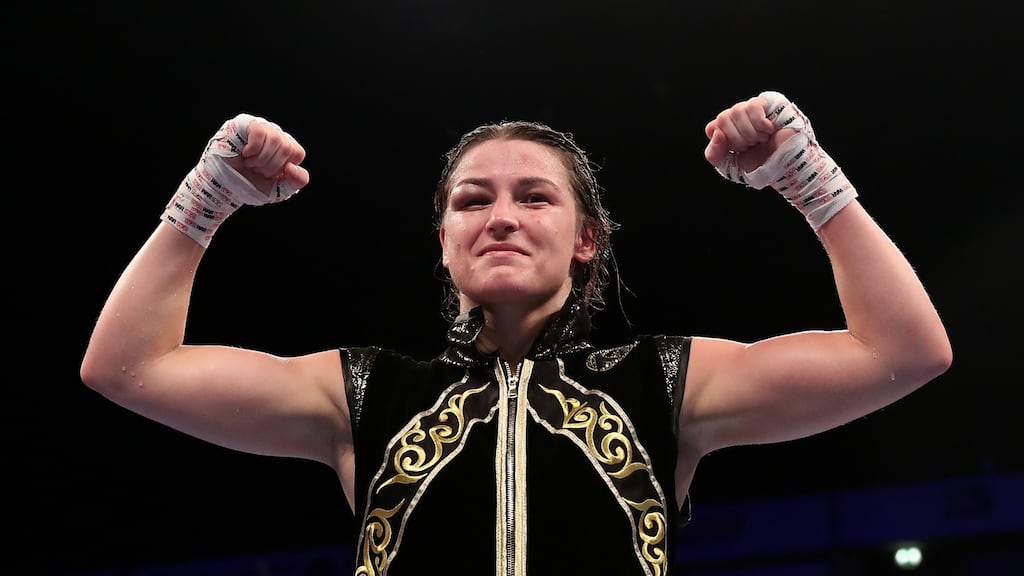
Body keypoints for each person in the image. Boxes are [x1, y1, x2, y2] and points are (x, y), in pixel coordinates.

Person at [80, 91, 952, 575]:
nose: (500, 216)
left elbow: (904, 352)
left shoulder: (670, 383)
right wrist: (206, 198)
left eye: (534, 196)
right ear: (446, 241)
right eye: (472, 200)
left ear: (585, 241)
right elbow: (130, 369)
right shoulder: (359, 393)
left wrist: (808, 178)